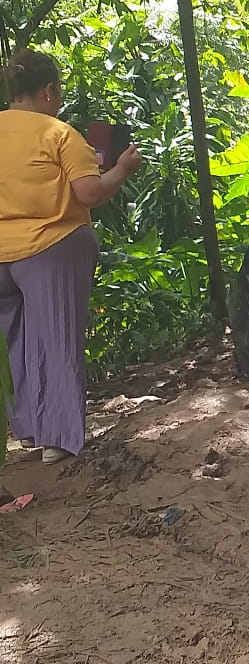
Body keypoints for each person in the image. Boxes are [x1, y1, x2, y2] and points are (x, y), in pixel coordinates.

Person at [0, 50, 143, 464]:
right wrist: (122, 168)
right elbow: (90, 193)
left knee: (16, 343)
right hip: (49, 247)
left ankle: (27, 430)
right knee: (57, 338)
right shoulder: (58, 134)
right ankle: (58, 438)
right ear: (48, 91)